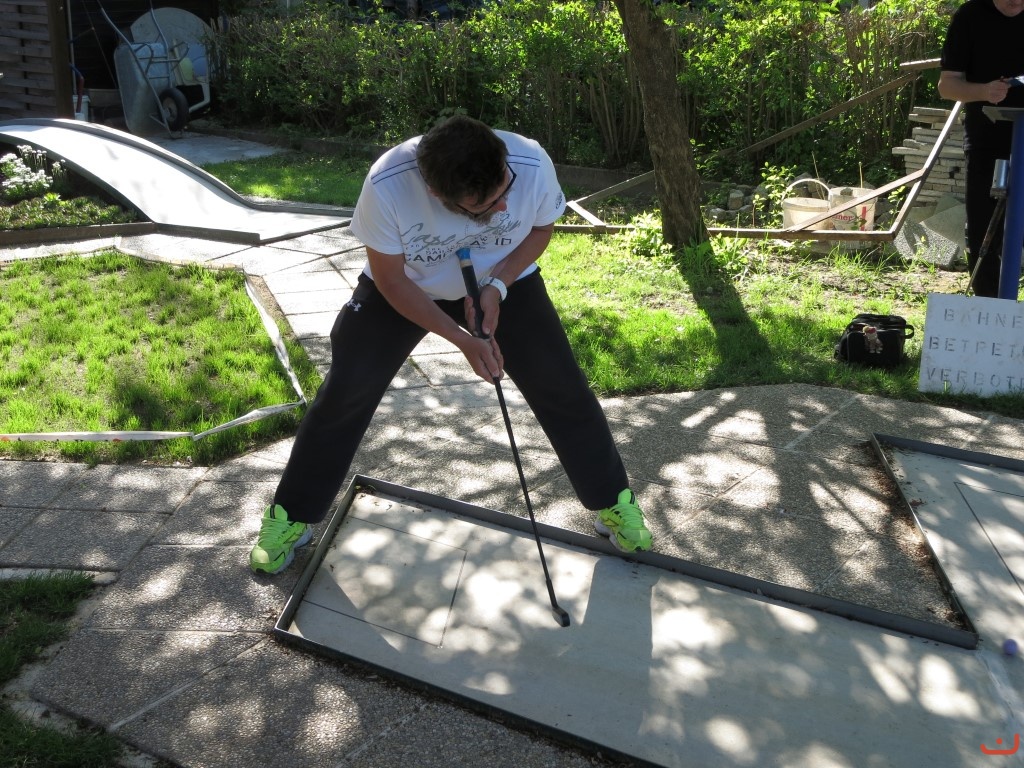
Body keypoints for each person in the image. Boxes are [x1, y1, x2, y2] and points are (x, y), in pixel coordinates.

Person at [249, 115, 653, 574]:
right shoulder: (387, 185)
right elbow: (391, 279)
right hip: (406, 286)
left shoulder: (530, 162)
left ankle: (612, 501)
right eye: (486, 205)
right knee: (346, 391)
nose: (504, 206)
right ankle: (291, 515)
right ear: (436, 194)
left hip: (504, 279)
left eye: (504, 191)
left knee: (560, 383)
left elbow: (541, 229)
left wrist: (497, 285)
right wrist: (461, 338)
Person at [937, 0, 1024, 298]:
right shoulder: (970, 17)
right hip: (987, 137)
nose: (1016, 2)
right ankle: (989, 306)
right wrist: (984, 91)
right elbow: (947, 85)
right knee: (983, 228)